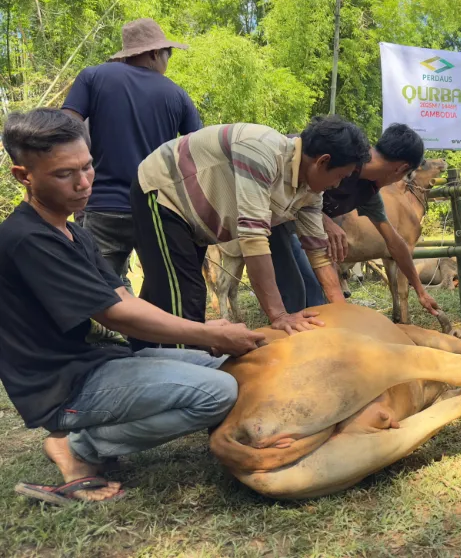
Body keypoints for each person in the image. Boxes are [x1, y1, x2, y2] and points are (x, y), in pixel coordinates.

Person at [0, 109, 264, 504]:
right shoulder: (27, 239)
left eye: (88, 167)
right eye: (64, 174)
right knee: (218, 392)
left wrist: (207, 336)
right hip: (62, 387)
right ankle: (79, 446)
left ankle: (82, 441)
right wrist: (209, 333)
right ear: (24, 176)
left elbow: (122, 297)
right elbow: (115, 315)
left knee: (235, 370)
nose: (84, 182)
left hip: (99, 363)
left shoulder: (73, 232)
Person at [131, 117, 369, 348]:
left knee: (163, 291)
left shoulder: (310, 191)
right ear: (322, 161)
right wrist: (279, 315)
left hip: (194, 220)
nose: (337, 185)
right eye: (339, 176)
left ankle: (137, 353)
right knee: (185, 299)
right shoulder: (262, 152)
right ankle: (186, 376)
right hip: (164, 192)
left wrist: (342, 315)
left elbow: (318, 253)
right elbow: (254, 241)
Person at [62, 18, 202, 292]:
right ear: (153, 53)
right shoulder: (177, 94)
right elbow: (197, 150)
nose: (167, 61)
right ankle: (151, 334)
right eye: (167, 54)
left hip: (102, 204)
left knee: (100, 291)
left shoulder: (93, 77)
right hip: (155, 208)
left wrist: (78, 179)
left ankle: (109, 335)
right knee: (162, 289)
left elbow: (66, 126)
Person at [321, 123, 440, 316]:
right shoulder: (342, 157)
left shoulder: (369, 192)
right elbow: (301, 190)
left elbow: (394, 242)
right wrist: (326, 221)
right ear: (401, 169)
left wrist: (420, 291)